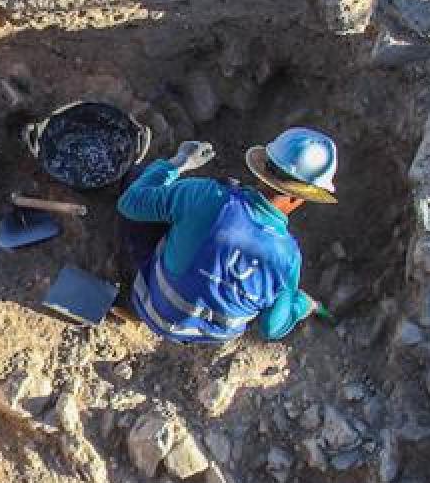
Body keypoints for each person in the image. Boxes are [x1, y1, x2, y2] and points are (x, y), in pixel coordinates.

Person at [115, 127, 336, 344]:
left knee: (141, 181)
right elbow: (272, 328)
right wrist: (300, 306)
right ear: (301, 197)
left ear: (264, 168)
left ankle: (126, 298)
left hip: (154, 309)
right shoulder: (288, 258)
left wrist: (178, 163)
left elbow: (130, 203)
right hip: (212, 335)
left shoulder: (207, 195)